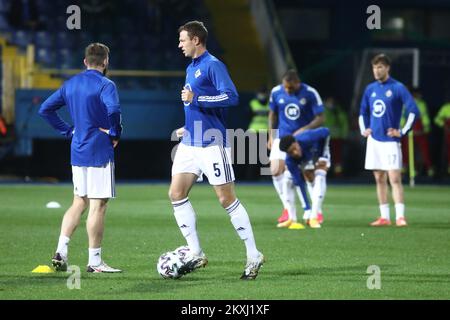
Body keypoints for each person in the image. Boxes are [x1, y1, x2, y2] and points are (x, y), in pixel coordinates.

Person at [170, 21, 264, 280]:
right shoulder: (192, 67)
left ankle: (253, 254)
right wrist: (187, 127)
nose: (180, 45)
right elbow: (195, 107)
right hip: (190, 142)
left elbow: (231, 96)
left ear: (196, 40)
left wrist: (196, 99)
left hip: (212, 143)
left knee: (226, 199)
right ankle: (196, 252)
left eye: (183, 40)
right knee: (176, 193)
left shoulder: (212, 65)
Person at [39, 43, 123, 273]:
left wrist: (68, 131)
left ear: (85, 61)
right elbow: (113, 109)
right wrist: (115, 132)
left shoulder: (71, 84)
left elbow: (45, 109)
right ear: (105, 62)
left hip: (78, 149)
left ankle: (61, 250)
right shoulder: (106, 84)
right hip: (99, 149)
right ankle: (94, 262)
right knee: (98, 205)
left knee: (79, 201)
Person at [359, 53, 419, 227]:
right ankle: (384, 217)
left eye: (380, 67)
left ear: (387, 68)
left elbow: (413, 110)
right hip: (374, 140)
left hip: (390, 142)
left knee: (394, 178)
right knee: (379, 178)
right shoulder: (370, 89)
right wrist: (365, 129)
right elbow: (363, 111)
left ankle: (400, 216)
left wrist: (402, 131)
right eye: (374, 67)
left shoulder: (398, 87)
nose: (376, 71)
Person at [268, 70, 325, 228]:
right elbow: (272, 114)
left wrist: (305, 129)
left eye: (291, 88)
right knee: (275, 170)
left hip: (303, 141)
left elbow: (321, 117)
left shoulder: (310, 93)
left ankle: (315, 210)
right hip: (283, 138)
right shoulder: (276, 92)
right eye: (285, 87)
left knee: (308, 175)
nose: (288, 91)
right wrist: (271, 135)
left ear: (297, 83)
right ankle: (287, 209)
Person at [279, 127, 331, 229]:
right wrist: (306, 208)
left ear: (296, 142)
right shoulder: (290, 161)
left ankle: (314, 217)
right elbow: (299, 183)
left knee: (320, 177)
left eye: (295, 148)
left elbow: (326, 131)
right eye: (290, 152)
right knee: (287, 180)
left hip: (318, 153)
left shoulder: (308, 137)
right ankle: (292, 218)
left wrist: (323, 155)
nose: (295, 153)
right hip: (305, 160)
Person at [401, 88, 434, 177]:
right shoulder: (406, 104)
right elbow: (403, 117)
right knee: (407, 150)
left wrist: (425, 129)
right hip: (409, 130)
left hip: (419, 130)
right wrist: (403, 129)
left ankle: (429, 168)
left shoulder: (421, 104)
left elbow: (424, 116)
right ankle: (406, 168)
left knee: (424, 151)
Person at [323, 96, 348, 176]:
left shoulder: (338, 111)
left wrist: (344, 135)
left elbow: (344, 124)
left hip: (337, 137)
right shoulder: (323, 111)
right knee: (325, 156)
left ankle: (337, 174)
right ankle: (326, 173)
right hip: (326, 138)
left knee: (337, 157)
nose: (331, 104)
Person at [434, 97, 450, 175]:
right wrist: (444, 125)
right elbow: (437, 119)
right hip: (448, 134)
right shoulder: (445, 107)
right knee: (448, 150)